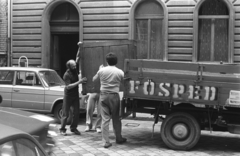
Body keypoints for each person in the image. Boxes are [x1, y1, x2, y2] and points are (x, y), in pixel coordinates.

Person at [93, 52, 127, 148]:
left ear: (107, 61)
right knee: (116, 118)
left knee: (105, 119)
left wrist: (99, 70)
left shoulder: (102, 71)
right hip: (114, 96)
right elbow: (125, 83)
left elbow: (94, 79)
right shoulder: (120, 72)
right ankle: (119, 138)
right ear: (116, 61)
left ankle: (106, 142)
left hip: (103, 96)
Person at [59, 60, 87, 136]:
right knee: (65, 113)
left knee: (77, 113)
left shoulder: (75, 71)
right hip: (68, 95)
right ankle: (62, 129)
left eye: (75, 65)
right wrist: (79, 82)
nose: (75, 67)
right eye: (73, 66)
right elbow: (68, 86)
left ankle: (73, 128)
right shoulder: (66, 75)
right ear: (69, 67)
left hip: (75, 95)